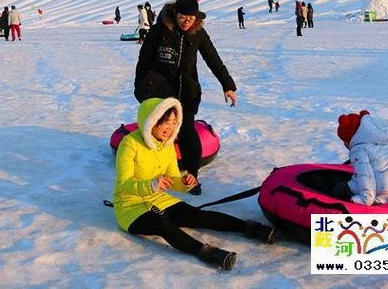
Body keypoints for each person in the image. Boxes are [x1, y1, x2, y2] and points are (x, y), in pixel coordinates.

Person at [113, 97, 274, 270]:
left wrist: (185, 182)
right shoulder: (130, 144)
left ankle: (250, 228)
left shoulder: (167, 145)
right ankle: (207, 252)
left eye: (174, 122)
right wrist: (151, 185)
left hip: (159, 200)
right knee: (162, 225)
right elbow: (123, 184)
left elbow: (173, 179)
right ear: (151, 121)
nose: (170, 127)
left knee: (197, 215)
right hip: (130, 207)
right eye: (166, 122)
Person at [135, 0, 237, 195]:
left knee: (187, 130)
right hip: (160, 89)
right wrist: (140, 84)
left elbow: (213, 59)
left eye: (191, 18)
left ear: (196, 18)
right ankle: (150, 172)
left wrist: (227, 85)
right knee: (157, 129)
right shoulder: (159, 30)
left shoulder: (198, 33)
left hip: (186, 90)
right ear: (175, 14)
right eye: (182, 17)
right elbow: (144, 59)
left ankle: (192, 175)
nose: (186, 21)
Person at [331, 110, 388, 205]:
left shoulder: (359, 150)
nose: (345, 145)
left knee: (339, 189)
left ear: (351, 138)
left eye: (345, 141)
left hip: (381, 191)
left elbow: (366, 176)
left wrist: (366, 199)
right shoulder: (381, 142)